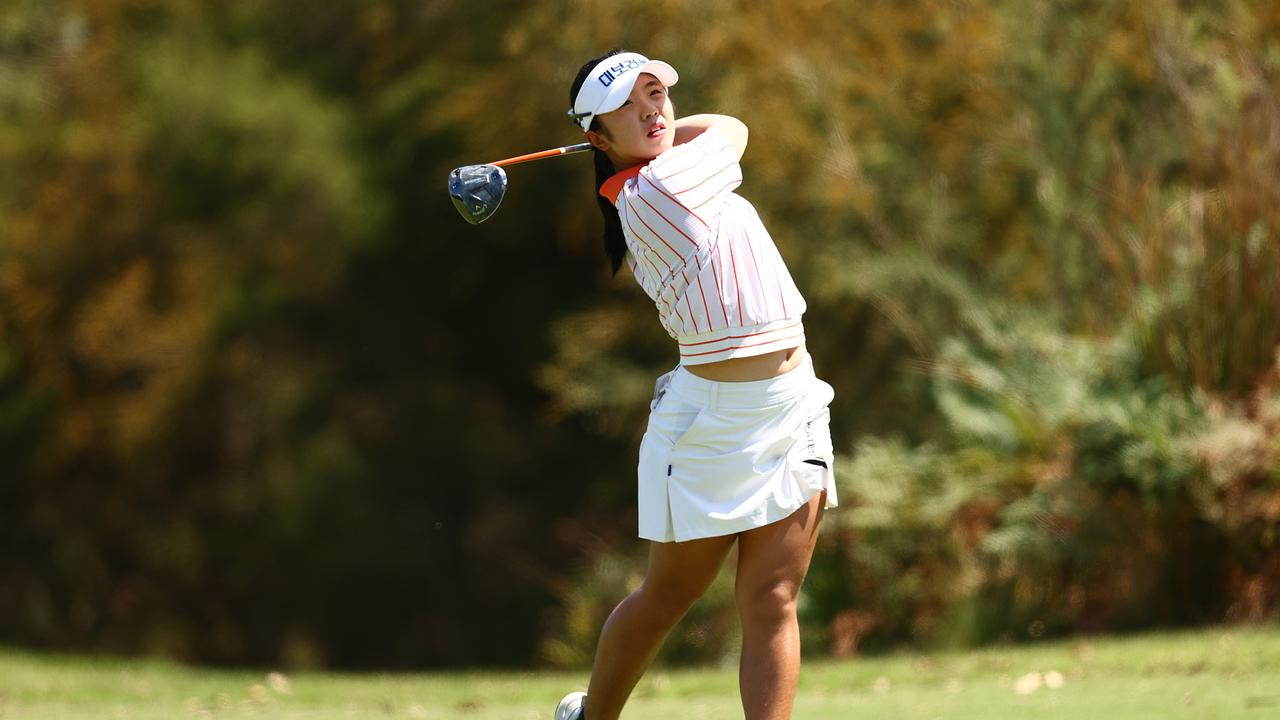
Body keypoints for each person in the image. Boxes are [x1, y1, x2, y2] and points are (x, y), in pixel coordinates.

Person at [555, 49, 838, 720]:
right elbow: (731, 128)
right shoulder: (650, 196)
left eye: (655, 93)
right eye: (627, 102)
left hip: (791, 406)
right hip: (709, 425)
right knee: (666, 598)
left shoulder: (668, 174)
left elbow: (710, 129)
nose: (650, 107)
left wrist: (636, 128)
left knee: (772, 598)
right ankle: (593, 716)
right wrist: (649, 135)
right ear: (595, 136)